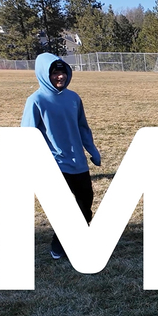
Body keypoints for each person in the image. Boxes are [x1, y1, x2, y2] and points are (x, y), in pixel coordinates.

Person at [21, 53, 101, 260]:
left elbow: (82, 127)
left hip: (78, 162)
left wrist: (92, 149)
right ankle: (59, 245)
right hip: (54, 163)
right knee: (66, 208)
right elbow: (27, 134)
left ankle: (79, 237)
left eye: (62, 71)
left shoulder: (74, 98)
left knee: (85, 203)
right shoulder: (35, 100)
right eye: (55, 72)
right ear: (44, 74)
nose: (60, 77)